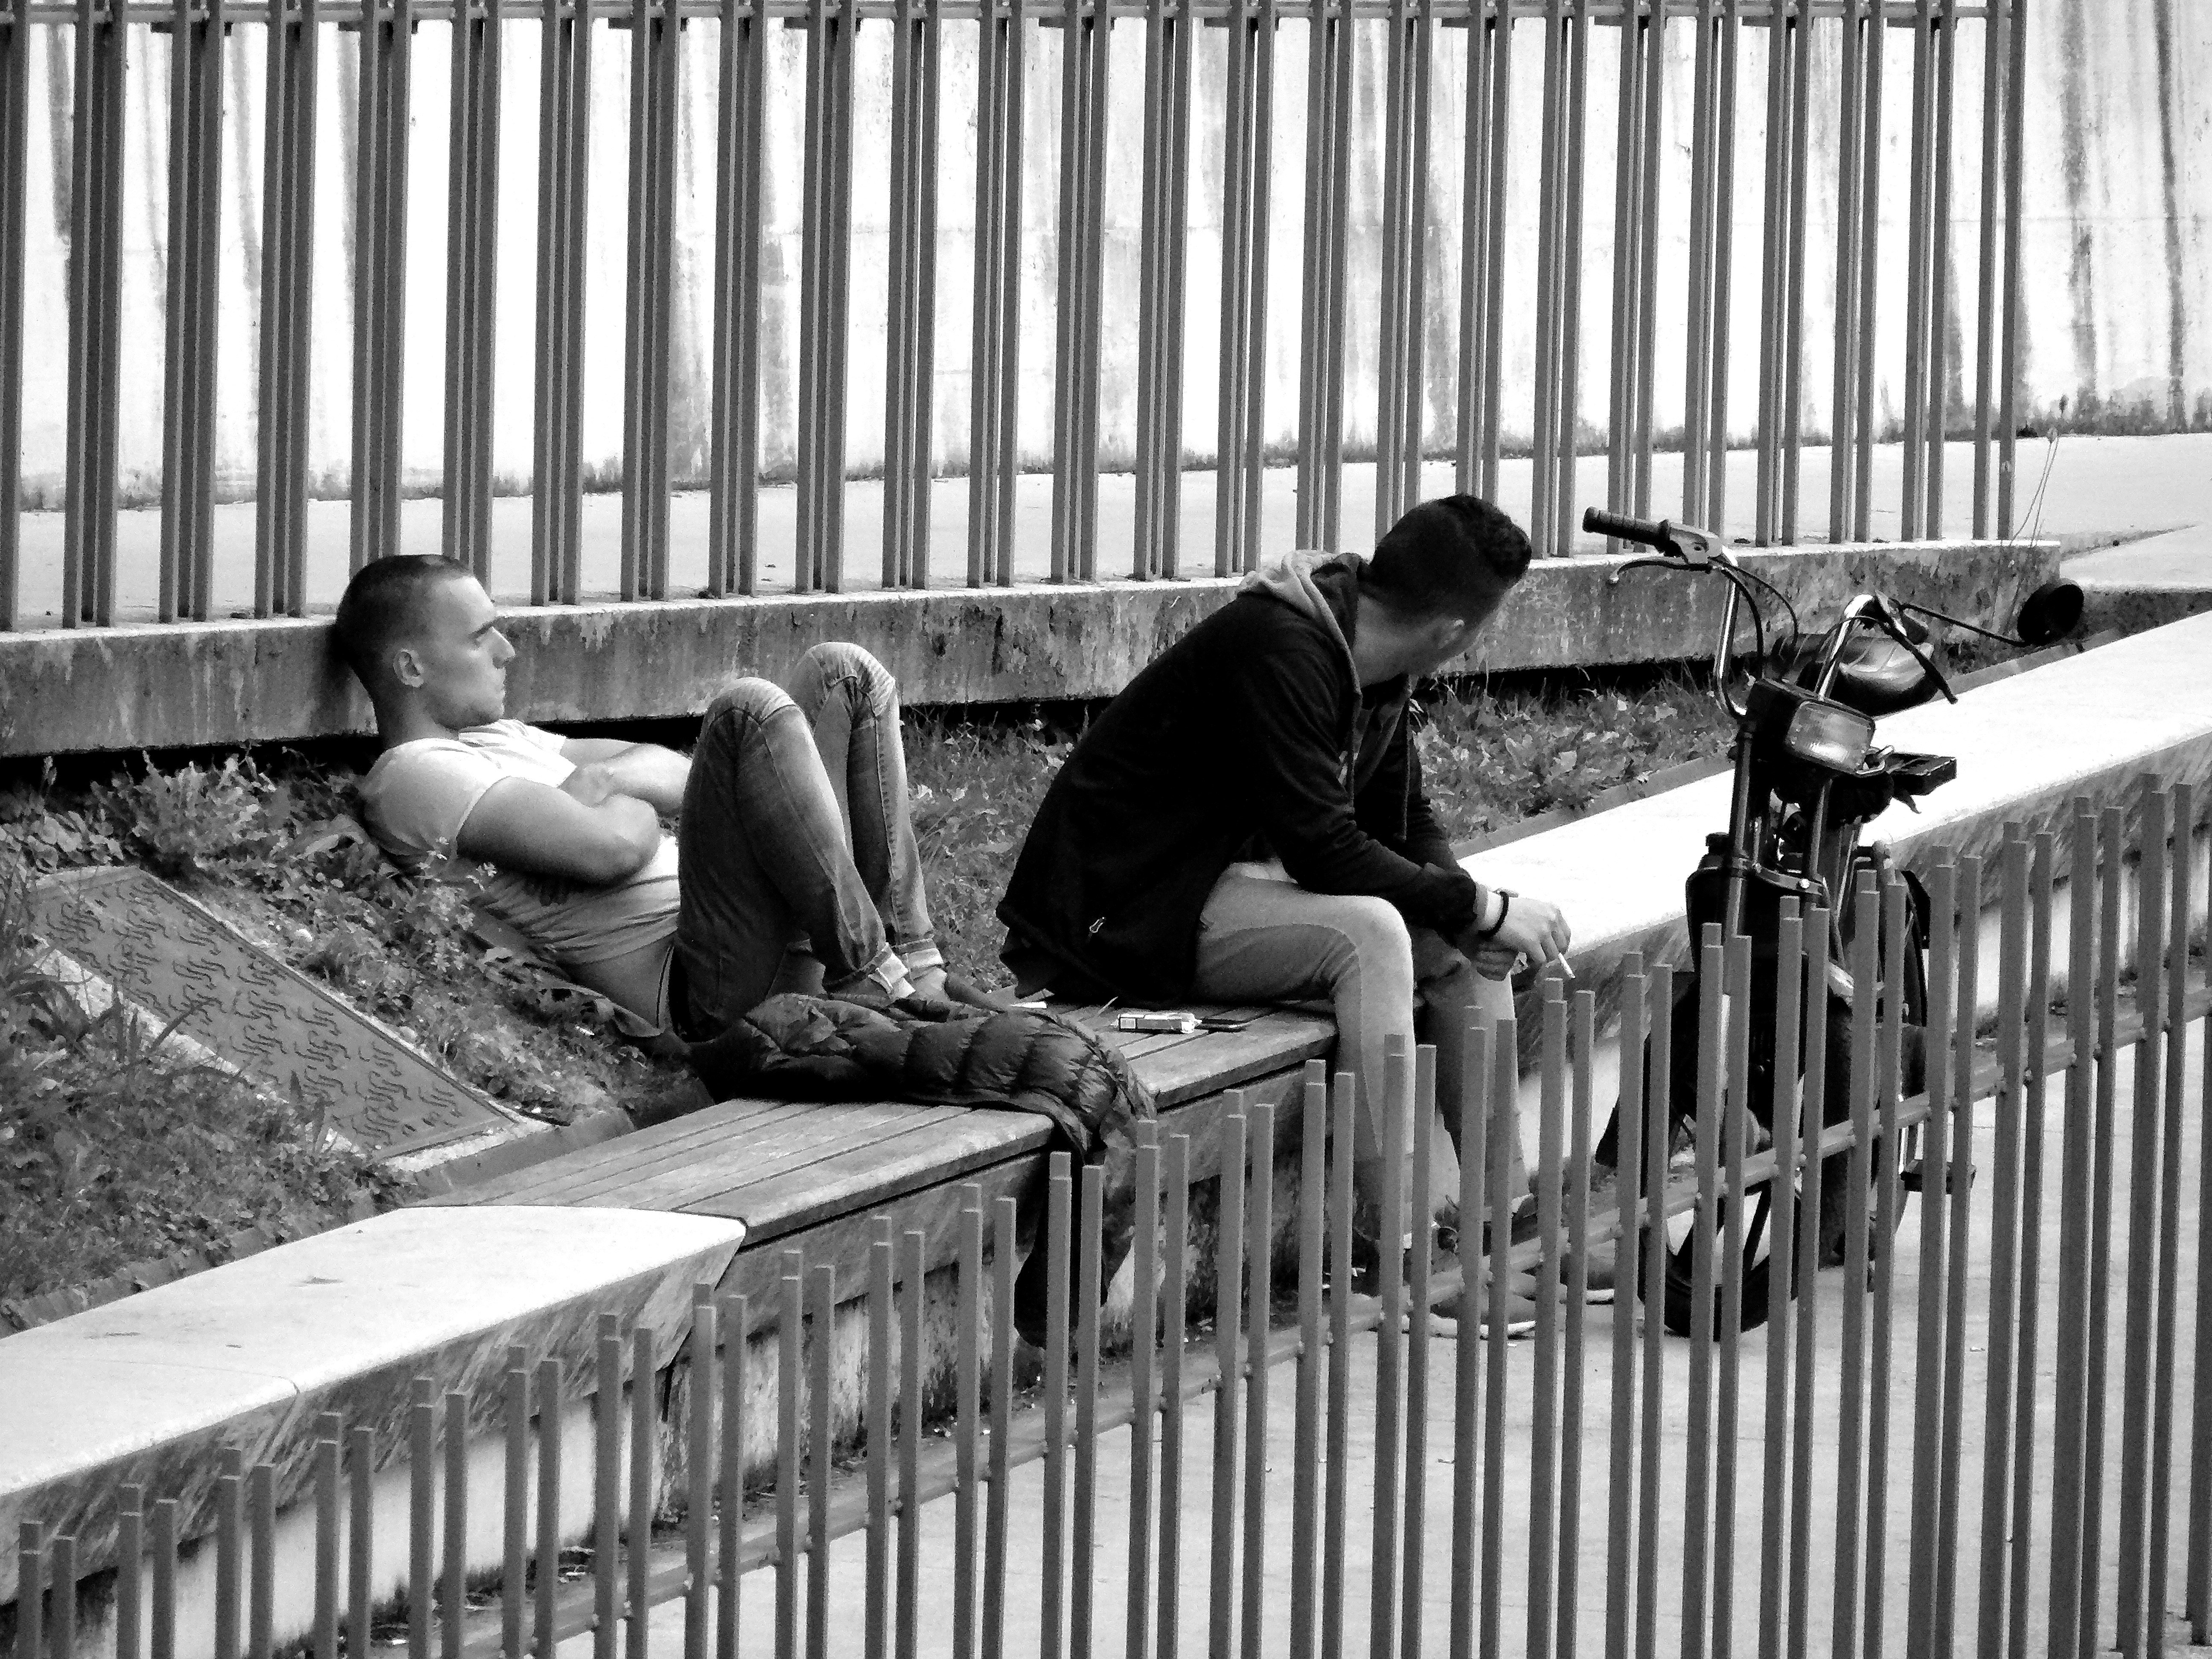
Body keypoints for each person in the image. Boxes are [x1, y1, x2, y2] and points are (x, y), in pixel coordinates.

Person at [995, 496, 1574, 1326]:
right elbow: (1324, 851)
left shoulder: (1369, 658)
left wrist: (1475, 915)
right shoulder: (1282, 646)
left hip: (1216, 890)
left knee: (1455, 936)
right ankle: (1395, 1259)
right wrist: (1484, 904)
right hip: (1125, 911)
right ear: (1456, 630)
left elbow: (1401, 820)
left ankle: (1501, 1239)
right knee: (1372, 934)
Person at [331, 555, 951, 1044]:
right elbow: (615, 849)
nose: (507, 650)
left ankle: (917, 971)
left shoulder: (501, 739)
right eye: (479, 636)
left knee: (843, 672)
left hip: (766, 924)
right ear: (411, 668)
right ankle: (869, 976)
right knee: (747, 713)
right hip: (703, 982)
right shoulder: (417, 774)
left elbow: (682, 776)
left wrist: (605, 784)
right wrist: (623, 794)